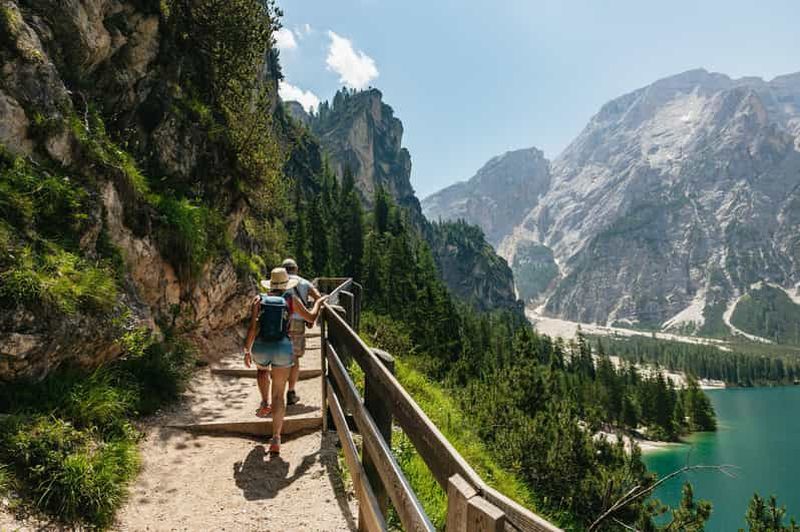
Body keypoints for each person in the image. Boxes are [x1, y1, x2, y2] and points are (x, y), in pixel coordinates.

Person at [243, 267, 327, 455]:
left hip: (261, 346)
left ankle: (264, 403)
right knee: (279, 395)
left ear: (271, 284)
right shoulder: (291, 300)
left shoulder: (259, 299)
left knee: (262, 370)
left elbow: (252, 328)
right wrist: (319, 303)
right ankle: (275, 439)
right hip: (282, 347)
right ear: (286, 284)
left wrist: (247, 350)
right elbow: (311, 317)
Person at [281, 258, 323, 406]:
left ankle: (276, 392)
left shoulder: (278, 282)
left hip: (280, 323)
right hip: (298, 324)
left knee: (279, 356)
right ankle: (291, 392)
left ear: (283, 269)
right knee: (295, 359)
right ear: (296, 269)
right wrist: (312, 319)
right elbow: (319, 298)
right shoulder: (305, 283)